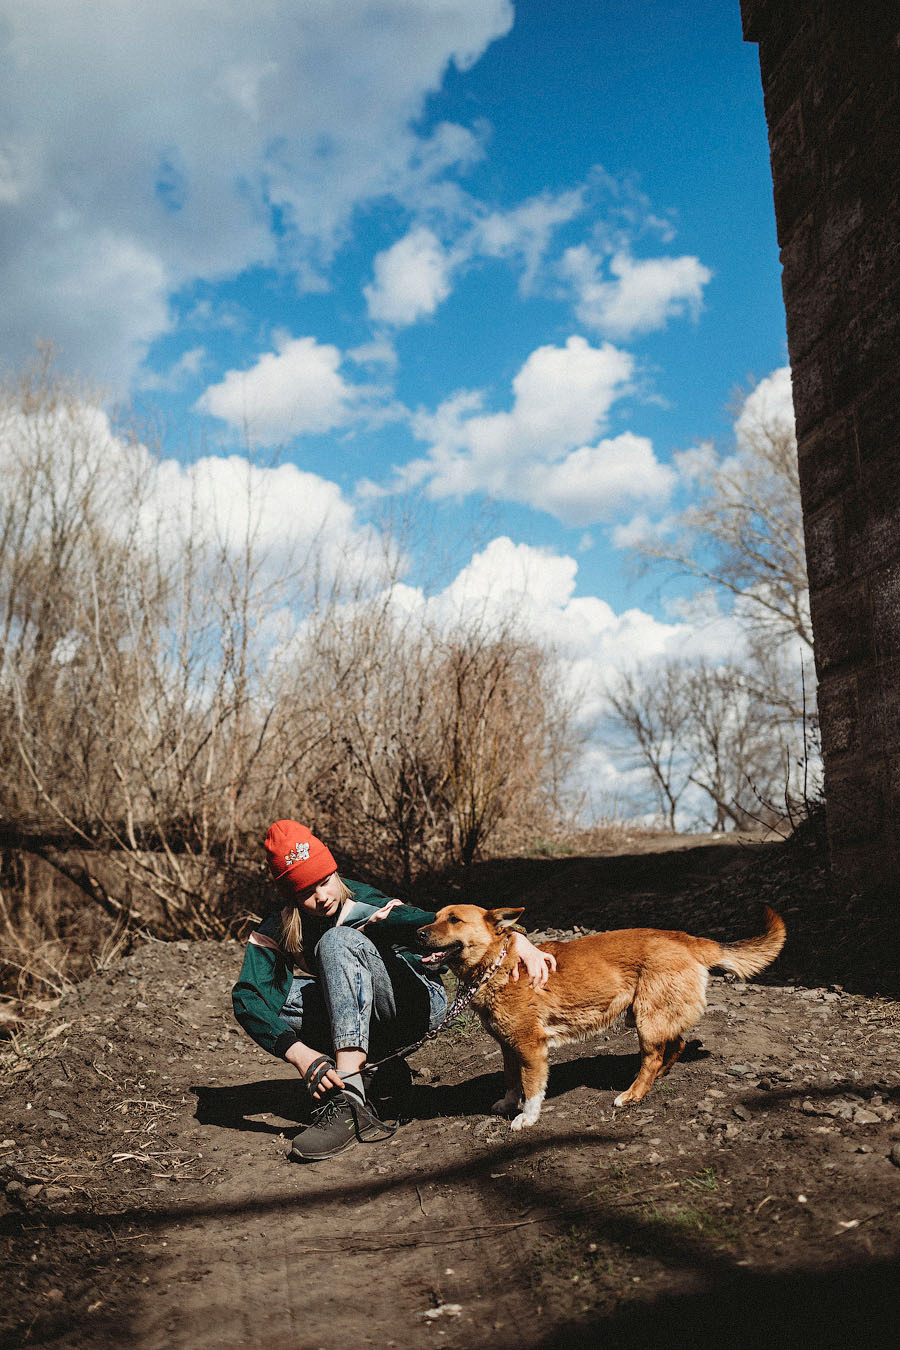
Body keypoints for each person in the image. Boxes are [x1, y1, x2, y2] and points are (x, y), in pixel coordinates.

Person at [232, 819, 555, 1162]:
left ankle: (350, 1096)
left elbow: (445, 922)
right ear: (291, 897)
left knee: (337, 941)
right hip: (366, 1016)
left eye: (325, 882)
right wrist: (301, 1055)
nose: (322, 897)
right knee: (274, 999)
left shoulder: (365, 902)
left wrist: (515, 936)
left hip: (414, 1004)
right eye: (305, 893)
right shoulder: (278, 926)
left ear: (335, 872)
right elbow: (247, 996)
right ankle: (380, 1068)